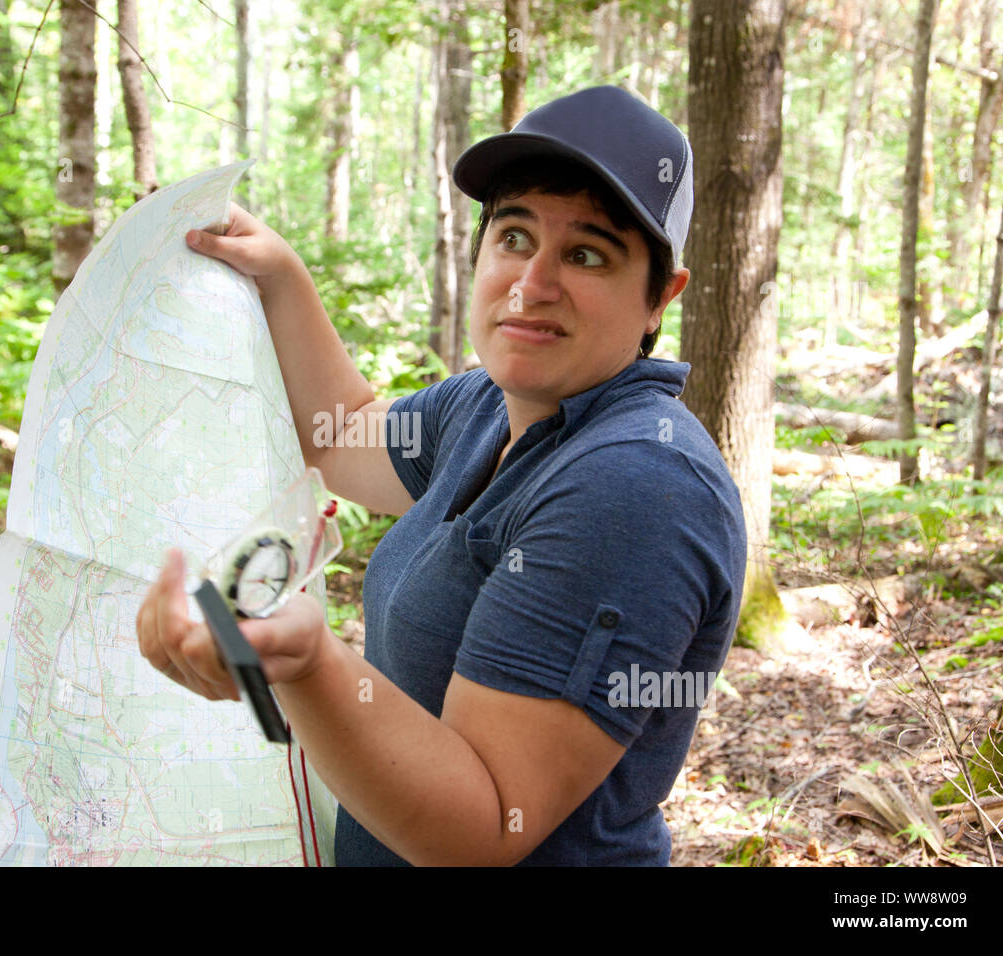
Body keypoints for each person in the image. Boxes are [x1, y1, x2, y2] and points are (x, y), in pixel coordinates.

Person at [136, 85, 747, 866]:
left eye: (588, 253)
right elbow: (346, 429)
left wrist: (312, 665)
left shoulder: (638, 485)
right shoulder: (491, 406)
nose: (534, 282)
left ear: (660, 297)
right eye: (515, 236)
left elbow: (487, 829)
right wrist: (279, 273)